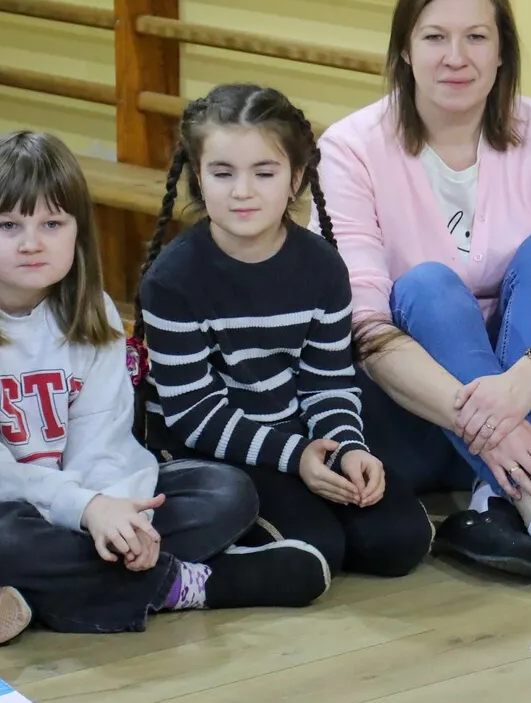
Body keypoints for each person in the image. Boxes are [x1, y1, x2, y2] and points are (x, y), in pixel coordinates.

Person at [0, 131, 329, 642]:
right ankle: (188, 585)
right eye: (8, 225)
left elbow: (103, 440)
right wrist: (87, 511)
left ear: (78, 231)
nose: (31, 243)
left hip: (81, 505)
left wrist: (120, 518)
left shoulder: (91, 309)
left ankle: (20, 592)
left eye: (52, 224)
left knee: (225, 492)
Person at [317, 0, 531, 594]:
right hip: (413, 416)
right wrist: (485, 419)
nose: (455, 57)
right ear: (405, 50)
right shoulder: (350, 148)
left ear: (502, 52)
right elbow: (361, 322)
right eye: (435, 37)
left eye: (476, 37)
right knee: (426, 286)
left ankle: (494, 502)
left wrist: (526, 378)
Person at [138, 84, 432, 583]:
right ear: (198, 177)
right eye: (223, 173)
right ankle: (194, 565)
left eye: (264, 172)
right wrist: (295, 458)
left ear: (296, 178)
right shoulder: (172, 280)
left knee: (399, 541)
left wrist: (347, 447)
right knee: (318, 546)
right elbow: (194, 414)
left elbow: (328, 382)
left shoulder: (323, 267)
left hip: (295, 439)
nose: (242, 191)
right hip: (209, 451)